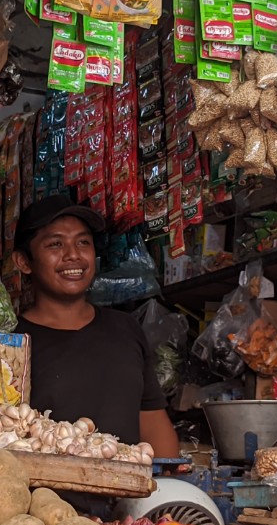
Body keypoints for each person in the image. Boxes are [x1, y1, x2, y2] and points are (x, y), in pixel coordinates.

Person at [13, 195, 181, 458]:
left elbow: (153, 423)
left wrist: (168, 486)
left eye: (83, 242)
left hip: (127, 493)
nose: (73, 255)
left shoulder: (125, 330)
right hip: (44, 497)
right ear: (24, 262)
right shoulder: (13, 342)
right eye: (55, 244)